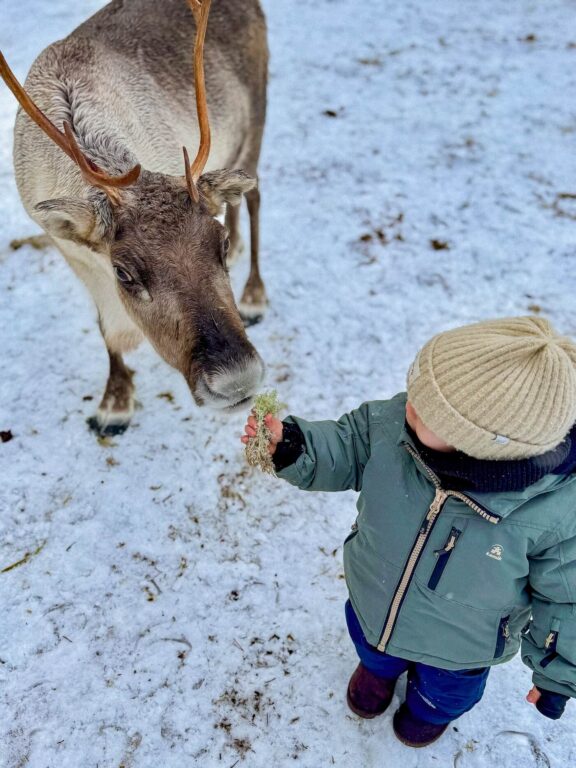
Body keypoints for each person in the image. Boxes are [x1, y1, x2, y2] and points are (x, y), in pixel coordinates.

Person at [241, 316, 576, 747]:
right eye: (416, 390)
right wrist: (292, 447)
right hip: (376, 601)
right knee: (372, 647)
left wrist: (557, 674)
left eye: (427, 407)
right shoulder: (395, 424)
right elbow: (348, 444)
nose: (408, 404)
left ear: (479, 444)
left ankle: (427, 711)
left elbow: (567, 600)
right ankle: (378, 672)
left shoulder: (556, 511)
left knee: (446, 693)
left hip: (460, 650)